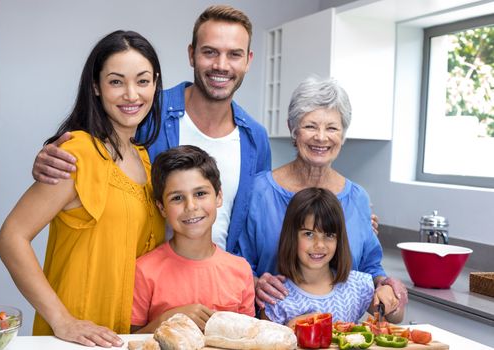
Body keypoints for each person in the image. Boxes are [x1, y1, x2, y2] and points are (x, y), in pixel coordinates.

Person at [31, 5, 272, 254]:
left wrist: (252, 276)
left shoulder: (255, 138)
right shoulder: (145, 109)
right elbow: (92, 147)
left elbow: (252, 225)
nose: (221, 65)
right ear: (192, 54)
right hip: (144, 281)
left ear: (248, 60)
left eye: (234, 54)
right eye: (209, 52)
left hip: (220, 284)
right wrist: (48, 159)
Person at [0, 30, 165, 347]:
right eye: (116, 81)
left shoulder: (145, 161)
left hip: (124, 337)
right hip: (74, 341)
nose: (132, 94)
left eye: (142, 81)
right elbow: (11, 237)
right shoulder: (78, 152)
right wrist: (63, 320)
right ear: (96, 87)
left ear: (155, 84)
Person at [238, 76, 407, 320]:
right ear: (292, 129)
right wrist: (254, 282)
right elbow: (235, 261)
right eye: (310, 126)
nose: (321, 137)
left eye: (332, 128)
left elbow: (371, 269)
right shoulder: (257, 191)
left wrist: (387, 285)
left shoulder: (358, 199)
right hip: (270, 330)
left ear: (343, 134)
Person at [130, 145, 255, 333]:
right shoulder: (143, 271)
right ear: (162, 208)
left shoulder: (240, 270)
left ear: (219, 196)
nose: (191, 206)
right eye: (177, 198)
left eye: (200, 194)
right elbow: (130, 341)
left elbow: (249, 337)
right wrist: (167, 319)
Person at [261, 187, 404, 325]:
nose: (320, 245)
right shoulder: (276, 296)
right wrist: (292, 327)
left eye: (329, 235)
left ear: (339, 239)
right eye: (309, 234)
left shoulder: (356, 285)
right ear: (292, 236)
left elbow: (396, 318)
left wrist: (389, 298)